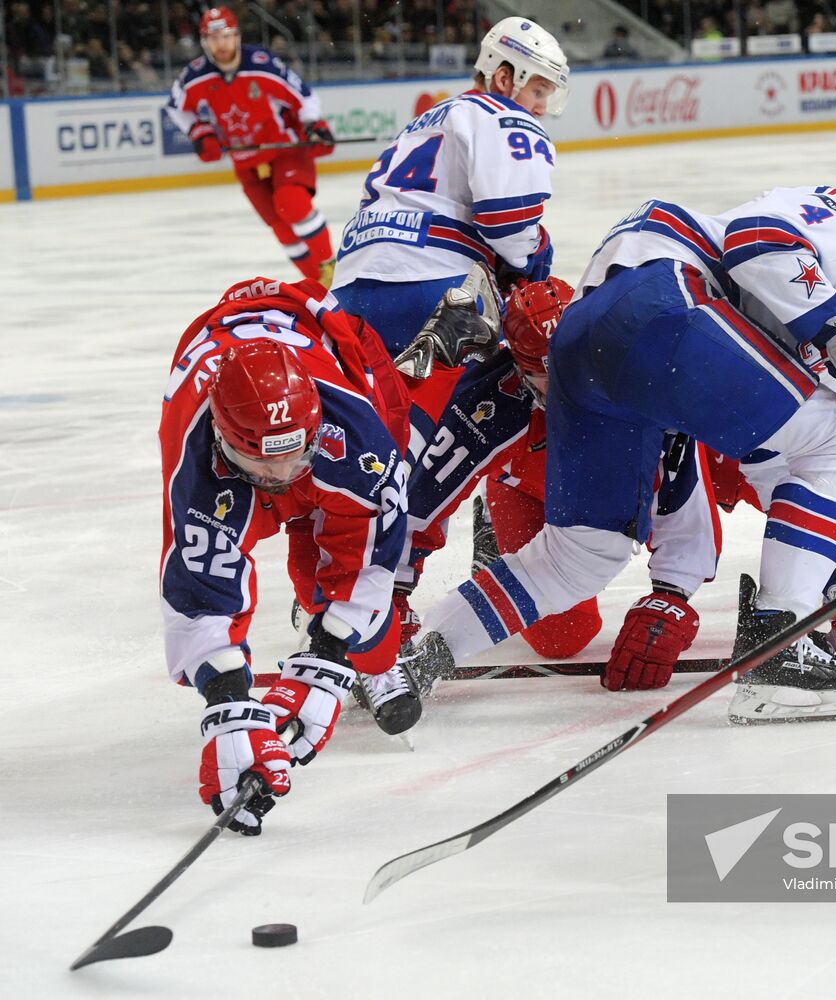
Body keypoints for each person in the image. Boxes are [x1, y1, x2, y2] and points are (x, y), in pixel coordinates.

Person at [406, 185, 836, 724]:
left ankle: (414, 662)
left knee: (578, 557)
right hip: (660, 305)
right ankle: (781, 648)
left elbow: (764, 456)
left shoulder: (794, 297)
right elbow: (760, 240)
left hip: (593, 350)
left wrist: (814, 559)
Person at [160, 276, 414, 835]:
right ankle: (337, 635)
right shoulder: (196, 453)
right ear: (224, 439)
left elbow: (371, 551)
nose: (280, 478)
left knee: (358, 612)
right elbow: (201, 591)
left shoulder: (355, 434)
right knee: (299, 571)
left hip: (337, 348)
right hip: (233, 400)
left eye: (291, 458)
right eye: (264, 468)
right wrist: (227, 706)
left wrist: (331, 652)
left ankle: (370, 654)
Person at [330, 16, 570, 356]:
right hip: (435, 289)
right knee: (500, 392)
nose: (542, 108)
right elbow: (506, 221)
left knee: (380, 405)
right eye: (539, 91)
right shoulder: (507, 117)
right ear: (504, 78)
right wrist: (534, 253)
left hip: (349, 289)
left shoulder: (422, 122)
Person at [164, 7, 337, 284]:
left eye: (227, 36)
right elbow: (176, 108)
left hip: (284, 149)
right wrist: (200, 132)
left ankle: (331, 266)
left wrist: (313, 125)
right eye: (213, 37)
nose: (221, 44)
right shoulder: (195, 75)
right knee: (280, 227)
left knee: (290, 204)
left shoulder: (261, 63)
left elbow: (303, 96)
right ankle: (319, 283)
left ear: (237, 36)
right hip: (245, 160)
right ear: (204, 42)